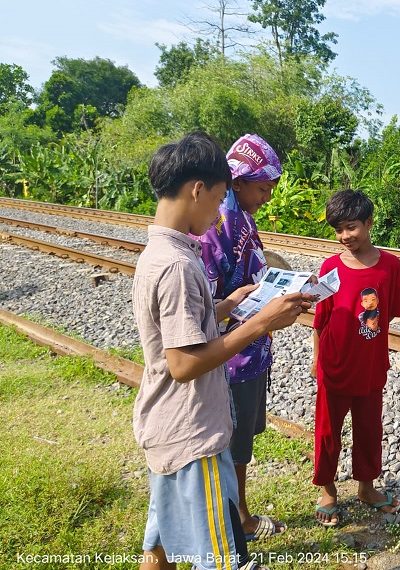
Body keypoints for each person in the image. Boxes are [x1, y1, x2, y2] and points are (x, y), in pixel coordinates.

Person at [133, 131, 314, 570]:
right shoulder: (177, 265)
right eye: (217, 199)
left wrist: (229, 305)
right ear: (198, 190)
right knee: (221, 558)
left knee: (159, 547)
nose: (219, 211)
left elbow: (185, 330)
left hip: (166, 426)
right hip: (192, 432)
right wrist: (259, 323)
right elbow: (183, 363)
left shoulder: (162, 251)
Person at [197, 133, 286, 542]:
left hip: (250, 349)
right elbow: (208, 307)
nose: (267, 195)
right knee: (232, 445)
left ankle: (238, 516)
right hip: (231, 356)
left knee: (242, 441)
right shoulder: (214, 229)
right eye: (262, 187)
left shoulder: (240, 219)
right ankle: (237, 523)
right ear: (237, 181)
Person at [309, 189, 400, 526]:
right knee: (327, 431)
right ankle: (327, 490)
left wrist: (366, 339)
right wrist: (316, 358)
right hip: (334, 366)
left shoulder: (391, 266)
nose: (344, 237)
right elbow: (320, 319)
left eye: (351, 227)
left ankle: (367, 487)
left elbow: (387, 313)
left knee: (369, 429)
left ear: (368, 222)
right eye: (338, 230)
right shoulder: (330, 266)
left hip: (370, 367)